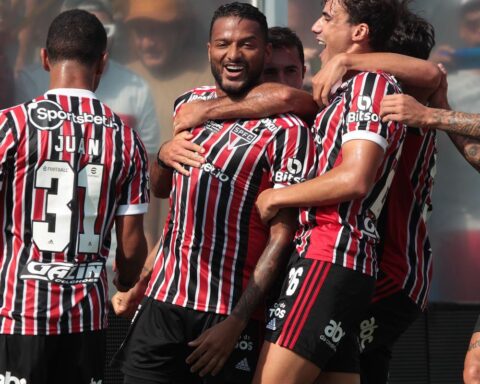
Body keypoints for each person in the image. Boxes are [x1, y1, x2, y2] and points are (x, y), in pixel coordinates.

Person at [112, 3, 315, 384]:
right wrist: (163, 156)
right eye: (223, 43)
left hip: (225, 315)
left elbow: (282, 234)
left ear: (265, 51)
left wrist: (237, 322)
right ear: (209, 49)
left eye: (247, 45)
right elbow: (161, 190)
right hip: (162, 305)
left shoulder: (290, 130)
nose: (233, 55)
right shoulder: (188, 103)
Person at [251, 0, 405, 382]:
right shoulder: (347, 85)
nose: (316, 29)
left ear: (359, 32)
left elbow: (355, 178)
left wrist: (276, 196)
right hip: (330, 258)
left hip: (331, 254)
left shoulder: (371, 84)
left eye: (328, 18)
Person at [0, 9, 149, 384]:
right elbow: (131, 249)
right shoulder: (125, 137)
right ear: (102, 61)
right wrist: (125, 282)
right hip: (87, 319)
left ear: (44, 58)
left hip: (19, 313)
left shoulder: (11, 126)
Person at [125, 0, 214, 246]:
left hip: (190, 232)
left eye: (157, 32)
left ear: (181, 31)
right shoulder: (122, 81)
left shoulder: (211, 78)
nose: (147, 42)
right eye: (140, 32)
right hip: (130, 233)